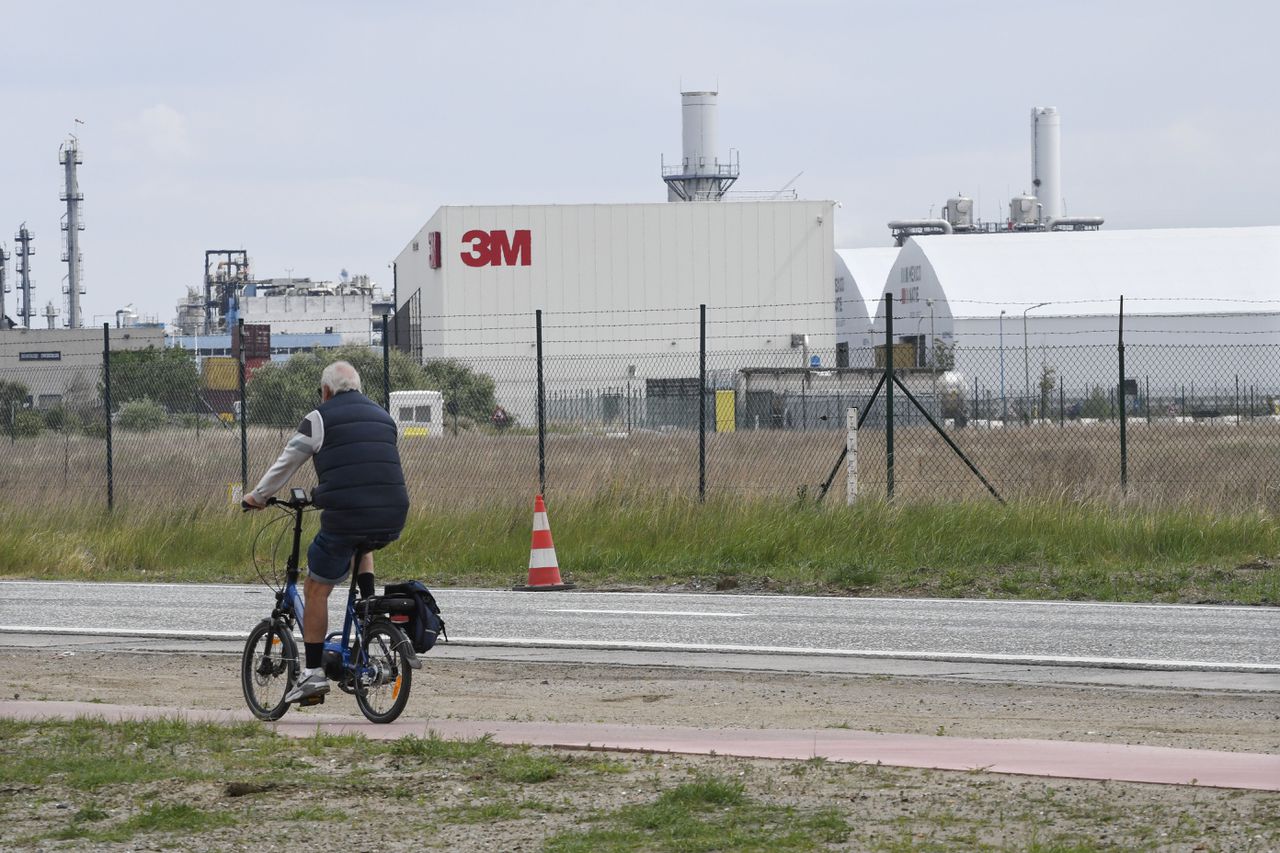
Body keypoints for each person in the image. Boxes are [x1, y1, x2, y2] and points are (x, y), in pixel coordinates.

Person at [244, 360, 409, 703]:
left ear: (326, 391)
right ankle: (366, 605)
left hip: (347, 516)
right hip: (392, 514)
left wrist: (258, 497)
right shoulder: (384, 417)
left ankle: (313, 673)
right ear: (359, 388)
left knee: (316, 587)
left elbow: (286, 462)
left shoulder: (320, 417)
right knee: (363, 543)